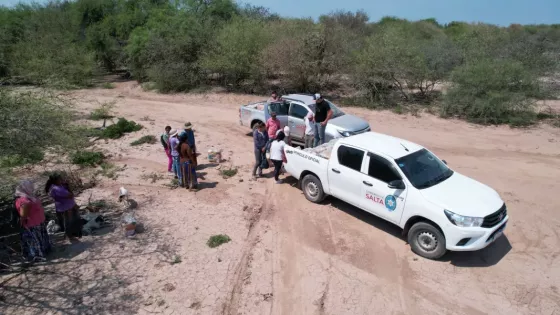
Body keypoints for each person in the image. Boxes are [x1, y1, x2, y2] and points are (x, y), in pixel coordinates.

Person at [14, 180, 51, 262]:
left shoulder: (26, 198)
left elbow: (25, 214)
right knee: (37, 239)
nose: (32, 188)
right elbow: (25, 214)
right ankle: (40, 253)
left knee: (36, 239)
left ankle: (39, 254)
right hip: (35, 223)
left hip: (34, 223)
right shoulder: (27, 198)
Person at [45, 173, 83, 238]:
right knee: (69, 222)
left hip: (67, 206)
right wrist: (68, 187)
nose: (61, 180)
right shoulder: (56, 189)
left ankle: (75, 234)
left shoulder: (58, 186)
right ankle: (70, 236)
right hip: (66, 208)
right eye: (60, 179)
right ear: (55, 180)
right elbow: (70, 195)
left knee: (73, 220)